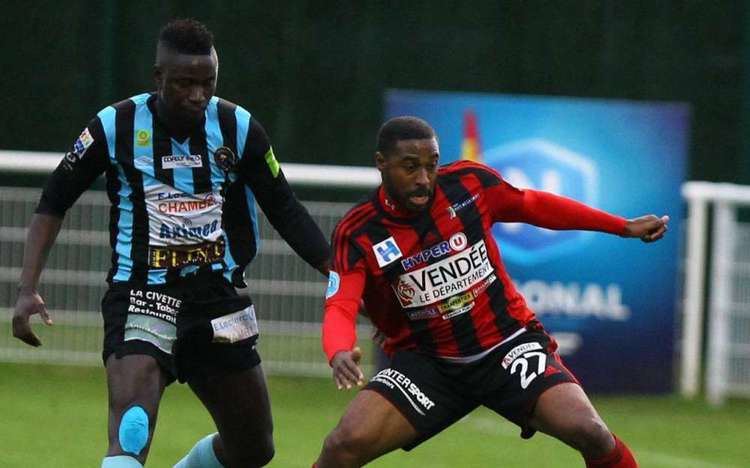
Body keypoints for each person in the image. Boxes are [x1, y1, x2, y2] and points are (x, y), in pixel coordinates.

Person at [12, 19, 330, 468]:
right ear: (158, 78)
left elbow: (286, 209)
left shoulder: (238, 127)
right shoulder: (114, 125)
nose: (198, 95)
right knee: (132, 430)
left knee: (254, 449)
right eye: (184, 83)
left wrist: (341, 276)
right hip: (142, 293)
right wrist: (27, 288)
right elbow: (52, 201)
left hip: (219, 299)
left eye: (207, 83)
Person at [315, 116, 668, 468]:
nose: (423, 179)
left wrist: (621, 226)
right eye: (410, 168)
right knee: (343, 446)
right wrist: (339, 351)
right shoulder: (358, 232)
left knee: (590, 431)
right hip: (429, 363)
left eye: (431, 165)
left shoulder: (468, 184)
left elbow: (533, 205)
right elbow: (341, 305)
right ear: (381, 163)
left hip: (507, 346)